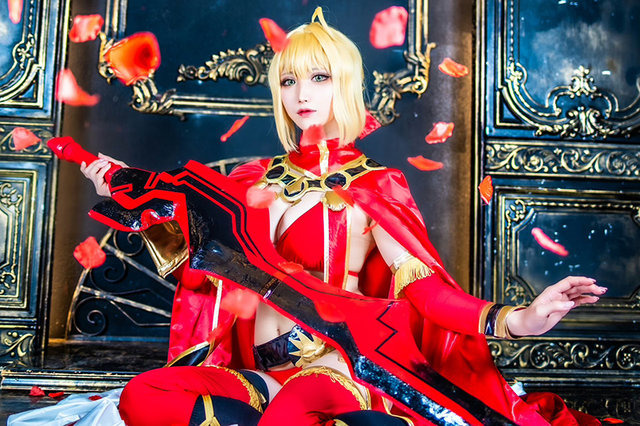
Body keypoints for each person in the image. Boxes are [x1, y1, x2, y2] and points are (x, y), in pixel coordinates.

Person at [80, 8, 605, 426]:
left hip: (338, 368)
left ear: (345, 84)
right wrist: (125, 190)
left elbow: (425, 292)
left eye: (319, 77)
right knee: (143, 395)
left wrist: (516, 320)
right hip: (264, 376)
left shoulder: (375, 184)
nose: (302, 94)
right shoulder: (250, 180)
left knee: (295, 409)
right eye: (289, 80)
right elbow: (195, 261)